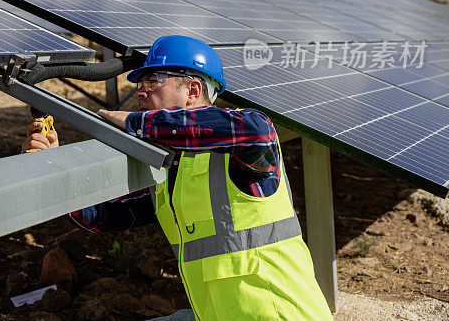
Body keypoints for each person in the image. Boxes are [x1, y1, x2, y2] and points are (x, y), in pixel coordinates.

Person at [23, 35, 332, 321]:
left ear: (193, 90)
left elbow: (256, 129)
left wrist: (134, 122)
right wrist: (53, 166)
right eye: (139, 82)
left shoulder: (244, 146)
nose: (139, 91)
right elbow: (99, 216)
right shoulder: (172, 170)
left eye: (152, 81)